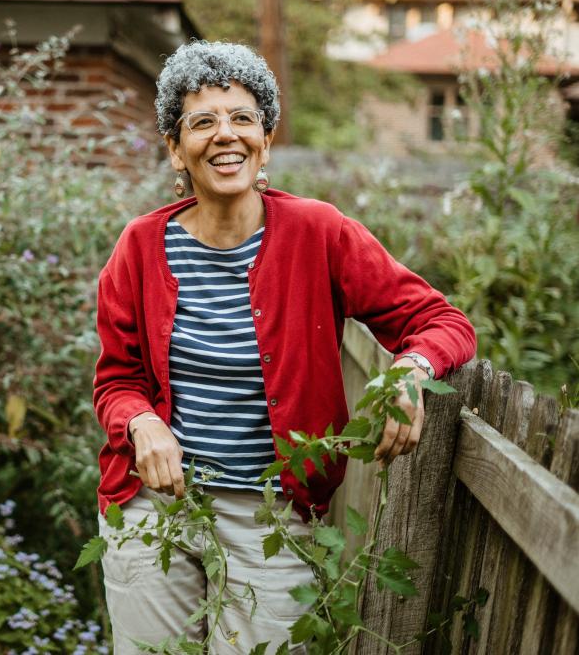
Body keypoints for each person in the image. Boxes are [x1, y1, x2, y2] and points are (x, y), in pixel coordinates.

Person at [93, 40, 476, 654]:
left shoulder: (319, 232)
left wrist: (410, 370)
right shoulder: (139, 248)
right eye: (203, 122)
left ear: (266, 139)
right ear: (175, 148)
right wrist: (140, 421)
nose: (226, 135)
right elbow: (115, 380)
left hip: (273, 517)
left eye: (243, 118)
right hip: (153, 511)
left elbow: (441, 320)